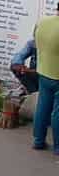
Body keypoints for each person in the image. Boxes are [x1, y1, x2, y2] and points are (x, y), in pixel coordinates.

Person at [25, 12, 59, 156]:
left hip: (43, 72)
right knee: (57, 112)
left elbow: (36, 42)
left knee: (42, 107)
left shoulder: (42, 22)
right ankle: (58, 147)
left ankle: (38, 141)